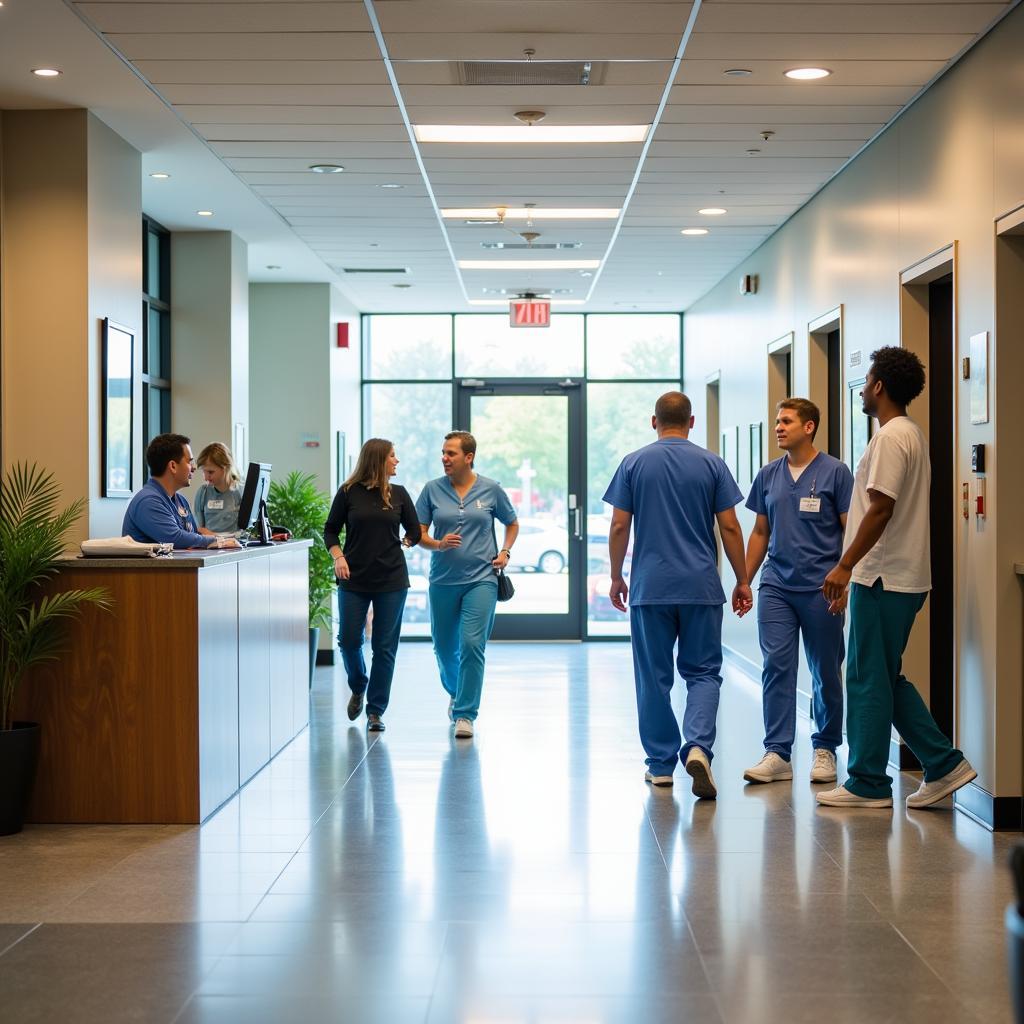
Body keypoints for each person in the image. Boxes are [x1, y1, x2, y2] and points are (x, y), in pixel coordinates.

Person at [818, 347, 975, 809]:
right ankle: (943, 763)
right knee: (884, 674)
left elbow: (881, 507)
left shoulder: (890, 438)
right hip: (900, 575)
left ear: (879, 386)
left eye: (866, 381)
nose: (863, 389)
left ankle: (867, 783)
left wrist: (846, 565)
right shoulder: (910, 433)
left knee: (867, 675)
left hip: (883, 576)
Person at [604, 392, 750, 800]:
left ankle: (660, 765)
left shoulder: (634, 463)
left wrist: (616, 576)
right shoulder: (710, 463)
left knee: (653, 677)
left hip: (650, 588)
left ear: (654, 422)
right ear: (692, 421)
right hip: (701, 586)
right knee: (703, 672)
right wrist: (742, 579)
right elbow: (732, 527)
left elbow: (619, 526)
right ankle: (699, 746)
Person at [742, 398, 854, 786]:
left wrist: (846, 577)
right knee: (777, 665)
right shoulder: (769, 475)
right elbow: (760, 532)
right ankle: (778, 752)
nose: (778, 427)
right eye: (776, 421)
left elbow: (849, 530)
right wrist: (744, 578)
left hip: (823, 588)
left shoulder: (836, 473)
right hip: (776, 585)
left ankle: (825, 748)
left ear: (809, 427)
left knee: (825, 669)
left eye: (786, 421)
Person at [415, 431, 518, 740]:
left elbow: (511, 522)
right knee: (444, 647)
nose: (444, 458)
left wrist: (505, 552)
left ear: (468, 457)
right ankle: (457, 691)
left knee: (472, 644)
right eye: (443, 453)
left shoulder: (491, 489)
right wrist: (437, 543)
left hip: (482, 579)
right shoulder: (432, 490)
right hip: (443, 579)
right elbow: (419, 533)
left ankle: (465, 714)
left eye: (451, 454)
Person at [323, 438, 421, 733]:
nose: (397, 461)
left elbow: (415, 531)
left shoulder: (400, 494)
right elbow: (330, 530)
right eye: (393, 456)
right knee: (349, 640)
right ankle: (358, 684)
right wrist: (337, 556)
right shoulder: (348, 492)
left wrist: (403, 542)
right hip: (353, 578)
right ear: (378, 460)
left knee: (384, 646)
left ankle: (375, 711)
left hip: (392, 579)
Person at [122, 433, 239, 549]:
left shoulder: (180, 501)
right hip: (153, 568)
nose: (193, 468)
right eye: (189, 461)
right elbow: (175, 539)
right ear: (173, 466)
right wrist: (219, 540)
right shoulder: (148, 501)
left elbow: (192, 537)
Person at [194, 442, 244, 536]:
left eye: (210, 472)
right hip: (210, 547)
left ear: (226, 467)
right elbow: (200, 530)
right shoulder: (203, 492)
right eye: (204, 472)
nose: (206, 478)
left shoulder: (240, 492)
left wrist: (215, 536)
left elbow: (245, 533)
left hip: (234, 547)